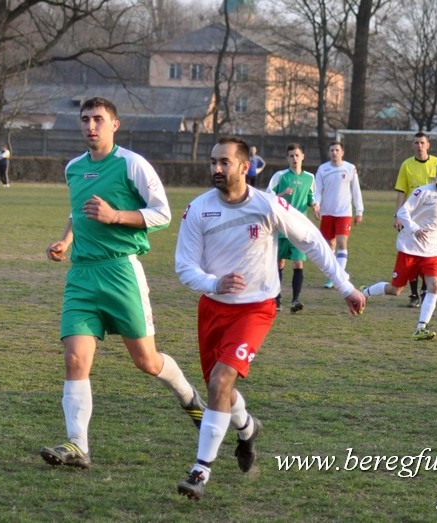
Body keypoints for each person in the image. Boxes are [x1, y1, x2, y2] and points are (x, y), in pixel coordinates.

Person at [175, 136, 366, 501]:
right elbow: (183, 266)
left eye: (224, 162)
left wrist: (345, 287)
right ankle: (247, 429)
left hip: (256, 308)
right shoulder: (198, 209)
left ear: (245, 167)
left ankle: (200, 471)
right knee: (222, 391)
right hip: (212, 308)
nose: (215, 168)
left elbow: (311, 238)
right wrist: (214, 282)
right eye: (212, 162)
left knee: (219, 382)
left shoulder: (267, 205)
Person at [40, 97, 206, 470]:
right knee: (74, 358)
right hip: (82, 275)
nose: (90, 126)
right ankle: (78, 445)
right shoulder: (74, 168)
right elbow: (76, 210)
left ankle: (191, 400)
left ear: (115, 124)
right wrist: (66, 241)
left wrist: (116, 216)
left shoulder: (132, 164)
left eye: (98, 119)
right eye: (84, 120)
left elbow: (162, 213)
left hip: (121, 272)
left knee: (146, 361)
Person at [361, 159, 437, 341]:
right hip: (409, 247)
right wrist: (415, 229)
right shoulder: (422, 192)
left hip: (431, 252)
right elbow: (402, 212)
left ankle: (420, 327)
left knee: (434, 285)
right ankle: (364, 293)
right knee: (395, 290)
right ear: (436, 175)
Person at [266, 143, 318, 313]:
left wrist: (315, 207)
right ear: (287, 158)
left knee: (298, 263)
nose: (294, 159)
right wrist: (281, 194)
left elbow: (310, 198)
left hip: (299, 228)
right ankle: (277, 299)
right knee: (279, 262)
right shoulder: (280, 176)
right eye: (291, 156)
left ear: (303, 156)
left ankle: (295, 300)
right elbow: (267, 197)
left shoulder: (310, 178)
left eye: (297, 155)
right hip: (281, 225)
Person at [394, 131, 437, 308]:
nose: (419, 146)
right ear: (412, 145)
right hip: (410, 218)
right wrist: (397, 215)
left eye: (422, 143)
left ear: (428, 145)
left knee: (428, 253)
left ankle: (423, 290)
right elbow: (401, 191)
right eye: (416, 143)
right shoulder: (406, 165)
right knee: (410, 253)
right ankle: (414, 294)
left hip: (430, 218)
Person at [313, 141, 364, 288]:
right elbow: (318, 191)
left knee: (342, 243)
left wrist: (359, 211)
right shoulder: (323, 169)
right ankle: (333, 275)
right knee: (329, 246)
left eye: (337, 150)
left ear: (342, 152)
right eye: (332, 150)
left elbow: (356, 190)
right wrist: (317, 205)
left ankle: (339, 276)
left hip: (344, 213)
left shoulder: (349, 168)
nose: (334, 153)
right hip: (327, 212)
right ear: (329, 153)